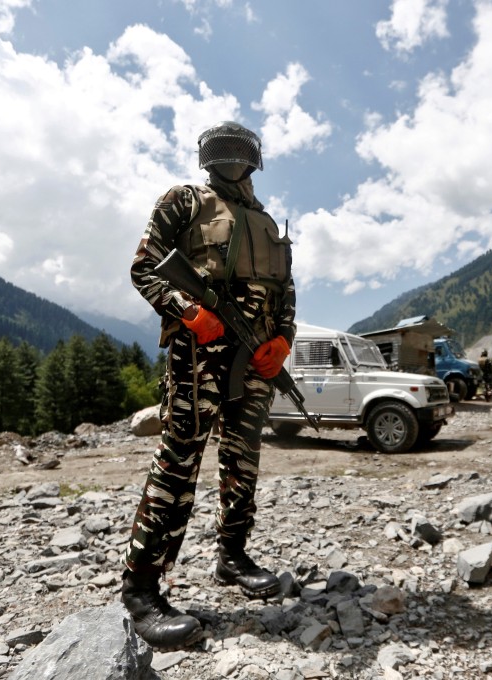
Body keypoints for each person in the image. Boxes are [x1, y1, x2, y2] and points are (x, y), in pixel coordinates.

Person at [120, 121, 296, 650]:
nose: (233, 158)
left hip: (256, 356)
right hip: (200, 350)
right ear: (207, 158)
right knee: (180, 458)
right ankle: (142, 589)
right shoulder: (183, 200)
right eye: (224, 151)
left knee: (244, 458)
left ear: (255, 159)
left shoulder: (266, 220)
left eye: (241, 151)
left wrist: (282, 340)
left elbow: (285, 289)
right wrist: (188, 310)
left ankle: (232, 557)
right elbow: (145, 267)